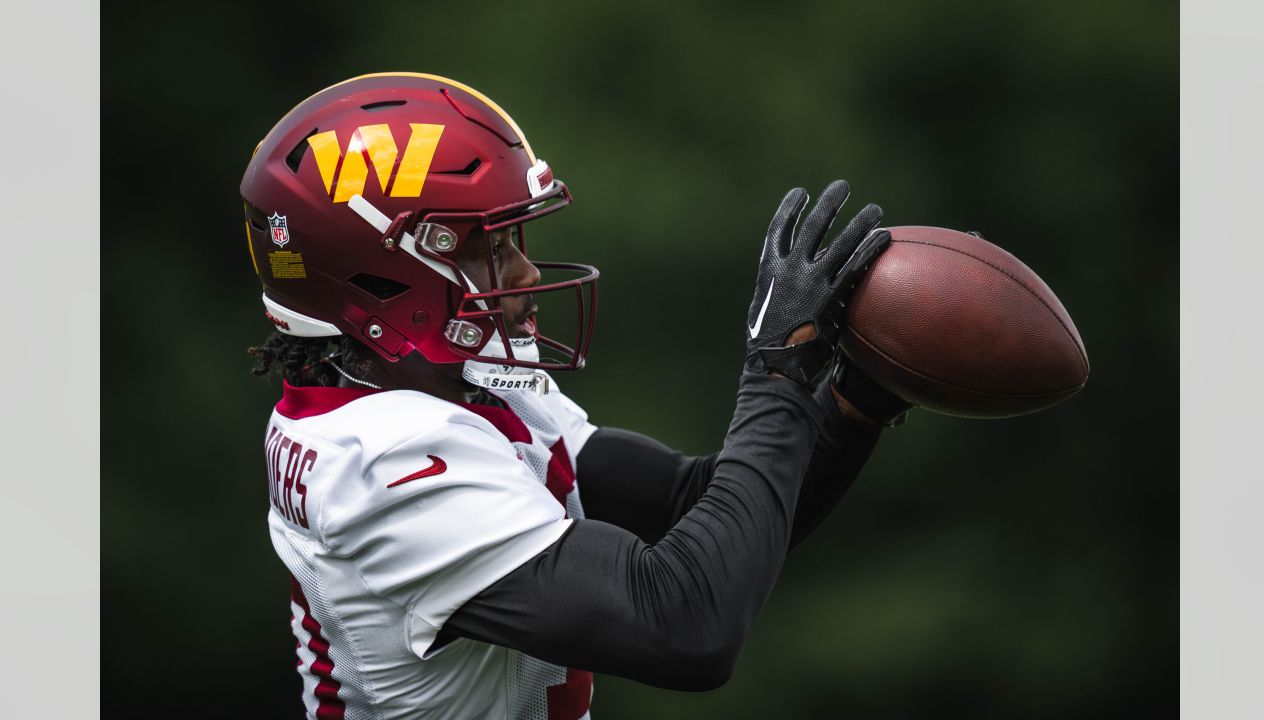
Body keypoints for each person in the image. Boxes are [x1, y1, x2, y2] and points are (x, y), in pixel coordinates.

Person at [243, 73, 912, 720]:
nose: (525, 272)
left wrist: (853, 401)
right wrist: (775, 372)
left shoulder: (444, 391)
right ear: (382, 281)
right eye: (487, 246)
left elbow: (695, 508)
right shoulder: (381, 464)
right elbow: (686, 624)